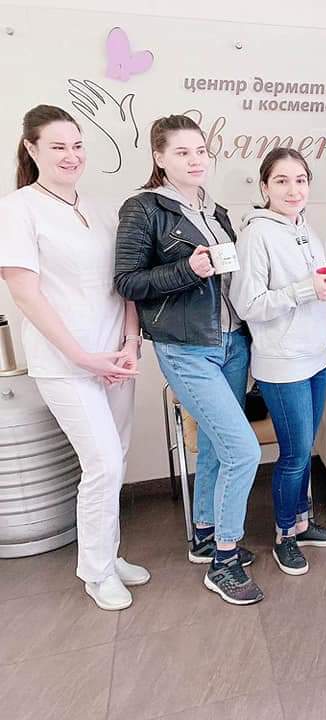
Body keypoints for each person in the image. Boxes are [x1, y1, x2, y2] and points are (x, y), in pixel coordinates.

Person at [0, 105, 147, 611]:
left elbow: (124, 284)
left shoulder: (101, 208)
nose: (71, 155)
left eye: (77, 145)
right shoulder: (18, 209)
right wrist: (84, 357)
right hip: (66, 364)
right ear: (32, 148)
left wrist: (130, 343)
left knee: (116, 460)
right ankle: (96, 572)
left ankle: (109, 554)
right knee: (101, 462)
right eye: (58, 146)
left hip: (116, 360)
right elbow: (25, 294)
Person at [115, 115, 262, 605]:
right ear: (159, 157)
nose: (195, 160)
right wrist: (187, 269)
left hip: (232, 342)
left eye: (201, 150)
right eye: (182, 152)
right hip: (186, 348)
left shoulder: (216, 210)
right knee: (244, 450)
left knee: (220, 445)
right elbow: (127, 282)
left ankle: (205, 532)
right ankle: (224, 560)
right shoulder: (144, 208)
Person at [229, 148, 326, 576]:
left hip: (315, 357)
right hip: (282, 362)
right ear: (264, 187)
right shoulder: (256, 234)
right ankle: (284, 536)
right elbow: (247, 304)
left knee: (304, 450)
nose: (293, 189)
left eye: (300, 180)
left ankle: (301, 521)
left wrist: (325, 292)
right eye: (281, 180)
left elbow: (317, 289)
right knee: (294, 455)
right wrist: (304, 290)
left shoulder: (306, 230)